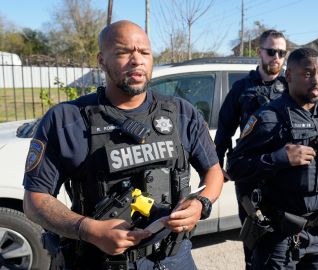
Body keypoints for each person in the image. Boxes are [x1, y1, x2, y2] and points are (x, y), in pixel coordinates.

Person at [22, 20, 223, 270]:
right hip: (98, 262)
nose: (137, 60)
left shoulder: (181, 113)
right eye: (123, 52)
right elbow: (34, 200)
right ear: (101, 60)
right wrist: (89, 230)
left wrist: (200, 203)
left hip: (173, 258)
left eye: (144, 52)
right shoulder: (65, 120)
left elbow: (214, 171)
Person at [227, 47, 318, 269]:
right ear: (289, 76)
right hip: (279, 238)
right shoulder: (268, 118)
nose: (317, 80)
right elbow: (235, 167)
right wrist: (279, 158)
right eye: (308, 74)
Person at [214, 29, 288, 269]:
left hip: (281, 172)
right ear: (260, 52)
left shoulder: (291, 87)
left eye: (281, 53)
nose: (276, 57)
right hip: (249, 173)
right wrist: (218, 165)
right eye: (271, 51)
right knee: (252, 236)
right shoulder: (241, 88)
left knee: (283, 238)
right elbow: (225, 128)